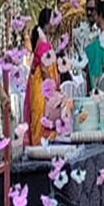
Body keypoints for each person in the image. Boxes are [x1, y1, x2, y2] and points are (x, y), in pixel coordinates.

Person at [24, 8, 59, 145]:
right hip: (41, 91)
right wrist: (53, 89)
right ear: (47, 22)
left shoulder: (42, 41)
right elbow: (44, 69)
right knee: (41, 122)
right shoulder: (43, 44)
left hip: (39, 89)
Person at [84, 0, 104, 91]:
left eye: (92, 9)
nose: (89, 12)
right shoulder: (86, 33)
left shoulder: (103, 37)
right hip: (90, 84)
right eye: (87, 10)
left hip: (100, 85)